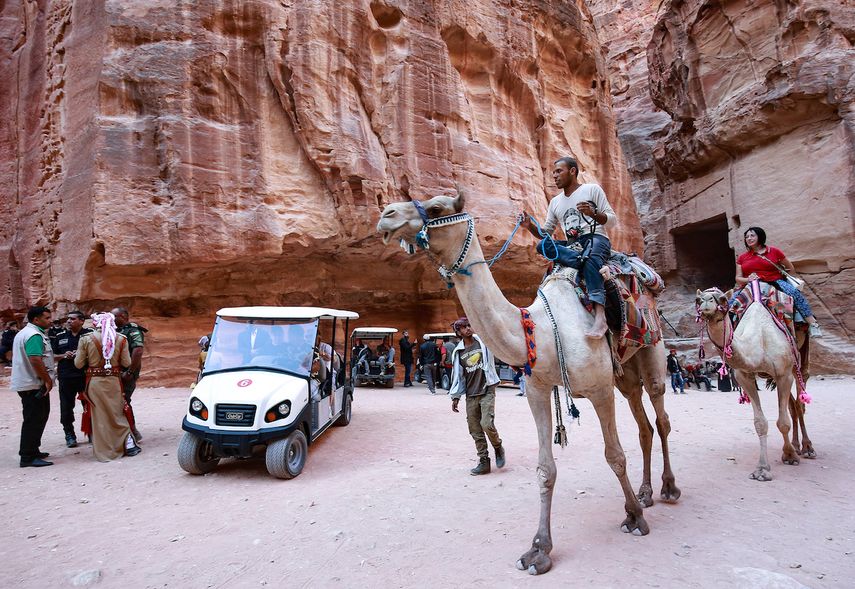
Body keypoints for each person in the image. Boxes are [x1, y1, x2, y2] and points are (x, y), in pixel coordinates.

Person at [524, 156, 616, 338]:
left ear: (572, 171)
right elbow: (546, 233)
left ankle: (600, 316)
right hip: (572, 246)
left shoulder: (592, 189)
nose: (555, 176)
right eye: (553, 173)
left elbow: (612, 221)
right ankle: (580, 261)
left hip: (596, 238)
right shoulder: (555, 202)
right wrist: (530, 226)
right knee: (543, 246)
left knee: (591, 258)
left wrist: (594, 213)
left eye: (559, 171)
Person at [75, 312, 140, 461]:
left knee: (100, 416)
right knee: (117, 412)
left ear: (95, 323)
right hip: (114, 381)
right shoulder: (121, 339)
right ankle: (127, 442)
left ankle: (105, 450)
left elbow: (78, 364)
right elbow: (126, 363)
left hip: (95, 382)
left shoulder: (86, 339)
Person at [735, 226, 822, 337]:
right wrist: (748, 279)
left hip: (775, 281)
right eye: (746, 236)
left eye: (752, 235)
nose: (749, 238)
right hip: (753, 285)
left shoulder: (774, 251)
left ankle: (813, 324)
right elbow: (738, 278)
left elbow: (790, 268)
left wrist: (783, 279)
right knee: (732, 302)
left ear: (760, 236)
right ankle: (731, 333)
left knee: (795, 293)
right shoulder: (742, 257)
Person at [448, 317, 505, 475]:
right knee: (475, 429)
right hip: (471, 394)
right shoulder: (458, 352)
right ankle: (484, 461)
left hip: (487, 389)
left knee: (487, 424)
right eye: (463, 327)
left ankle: (498, 447)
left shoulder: (483, 342)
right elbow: (458, 376)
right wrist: (456, 396)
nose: (468, 328)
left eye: (469, 325)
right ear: (458, 332)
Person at [12, 306, 57, 467]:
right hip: (33, 384)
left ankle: (33, 450)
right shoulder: (34, 335)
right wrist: (47, 380)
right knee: (34, 419)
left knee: (39, 417)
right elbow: (35, 359)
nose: (50, 321)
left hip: (28, 383)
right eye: (46, 318)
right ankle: (27, 457)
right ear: (36, 320)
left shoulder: (25, 333)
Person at [51, 311, 93, 447]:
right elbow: (51, 355)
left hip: (84, 376)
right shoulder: (60, 336)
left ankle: (92, 432)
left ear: (81, 321)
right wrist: (64, 355)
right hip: (66, 377)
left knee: (90, 405)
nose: (68, 321)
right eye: (68, 319)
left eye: (72, 319)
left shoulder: (89, 335)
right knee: (66, 407)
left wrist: (82, 355)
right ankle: (69, 434)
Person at [112, 306, 147, 440]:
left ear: (123, 317)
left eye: (114, 316)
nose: (112, 319)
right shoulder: (116, 331)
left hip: (127, 373)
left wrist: (130, 372)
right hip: (117, 372)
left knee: (124, 400)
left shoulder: (133, 330)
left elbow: (137, 351)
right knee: (118, 401)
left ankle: (132, 431)